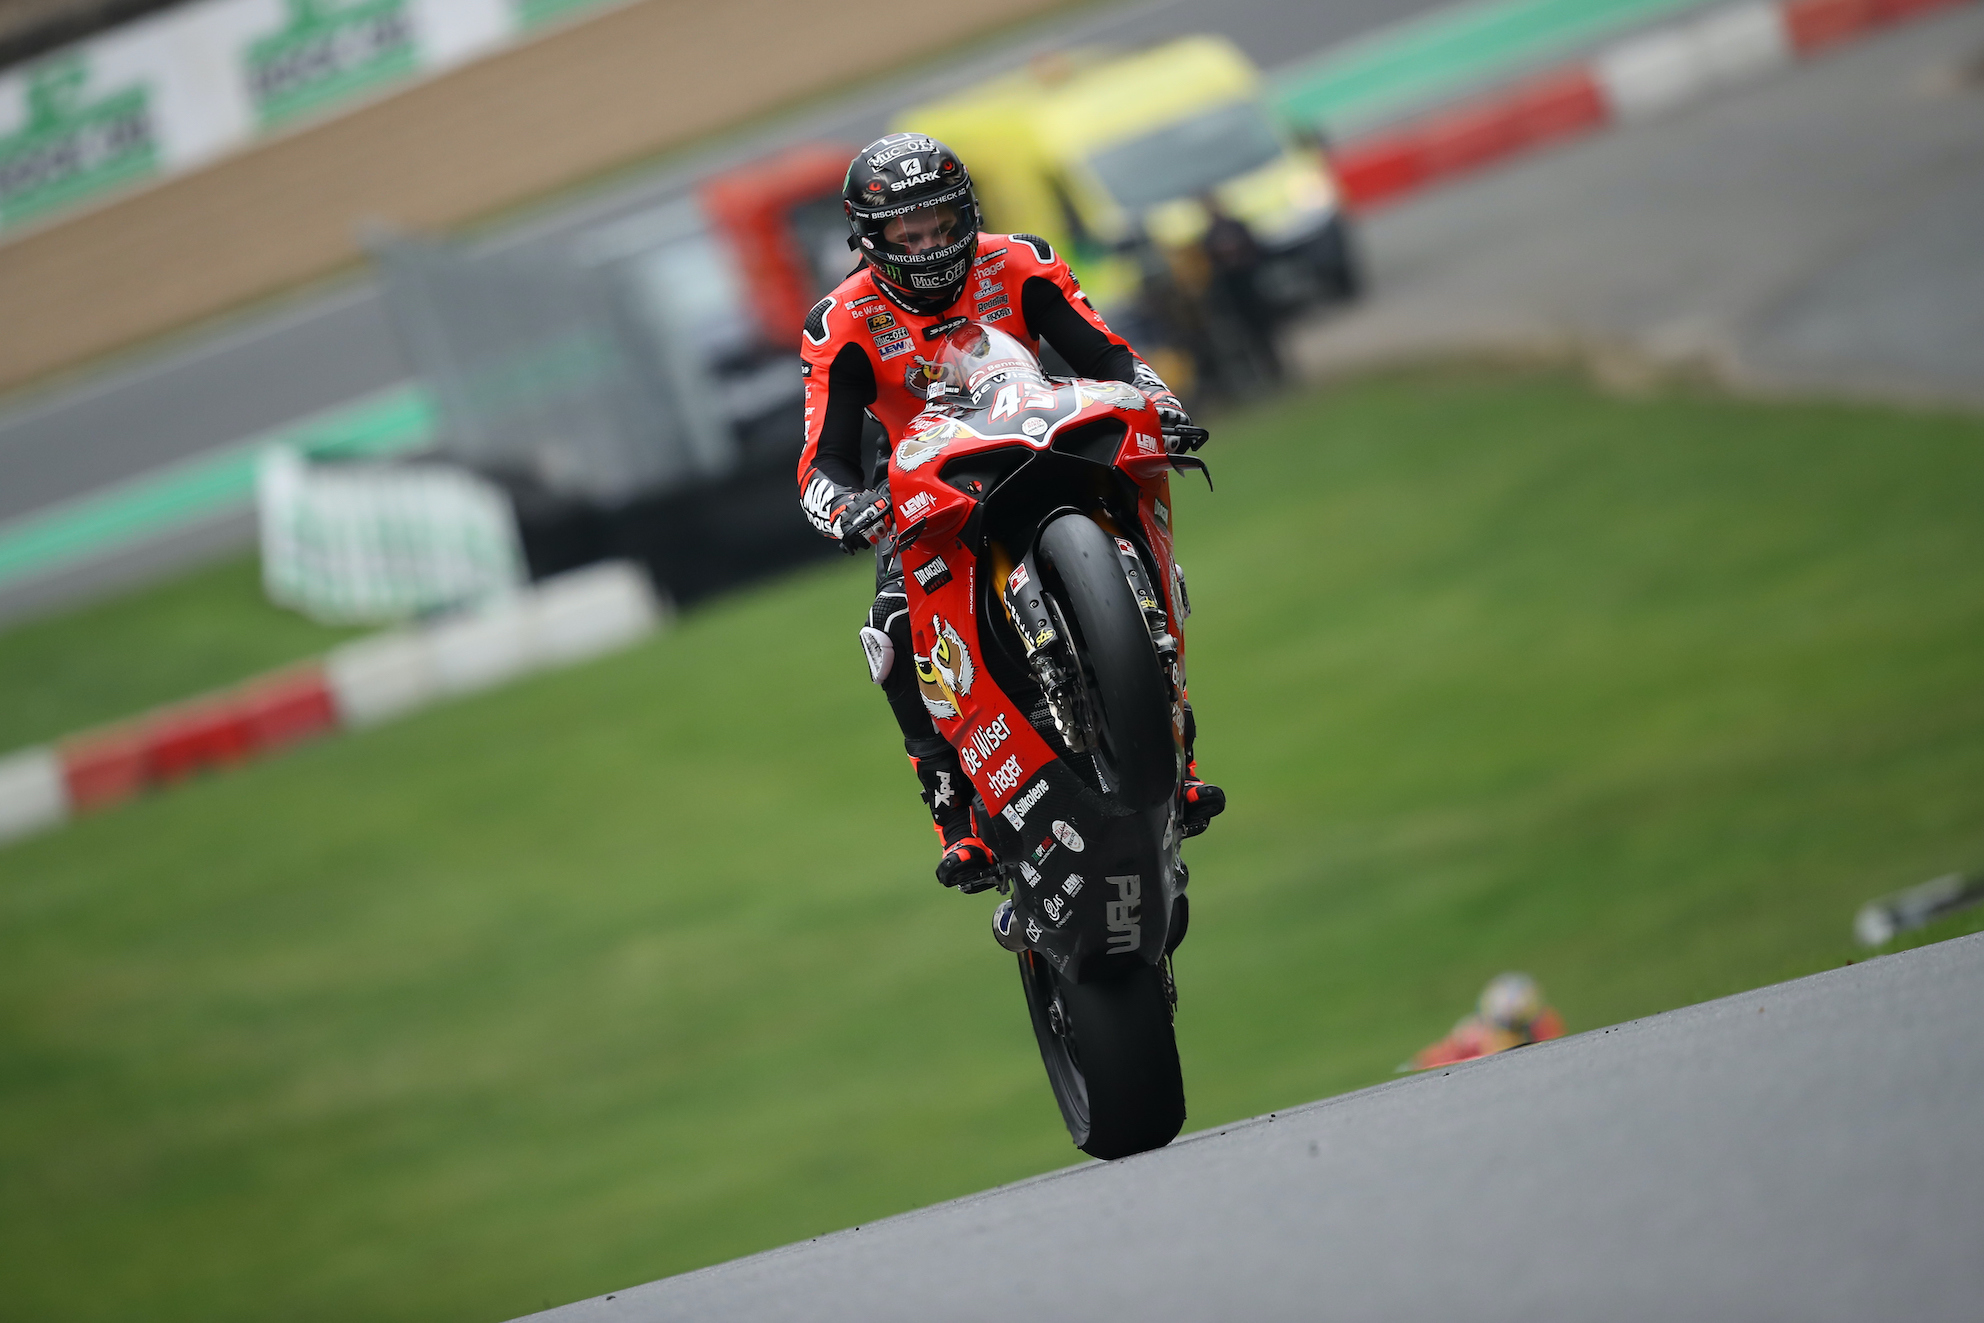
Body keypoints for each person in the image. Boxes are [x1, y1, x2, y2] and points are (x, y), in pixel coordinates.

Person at [796, 133, 1226, 890]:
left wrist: (1160, 404)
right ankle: (955, 815)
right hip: (930, 487)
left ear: (968, 214)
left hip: (1036, 431)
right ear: (871, 240)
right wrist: (848, 507)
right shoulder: (842, 321)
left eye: (940, 222)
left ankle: (1177, 751)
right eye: (908, 232)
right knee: (894, 625)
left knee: (1144, 527)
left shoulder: (1019, 260)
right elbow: (820, 459)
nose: (930, 244)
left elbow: (1106, 355)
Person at [1407, 972, 1565, 1070]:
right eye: (1505, 1028)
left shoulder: (1545, 1024)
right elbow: (1426, 1062)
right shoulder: (1469, 1038)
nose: (1511, 1034)